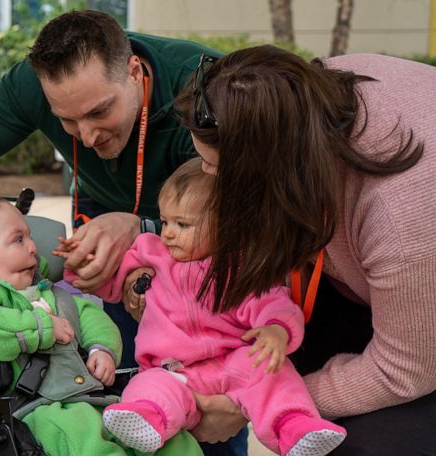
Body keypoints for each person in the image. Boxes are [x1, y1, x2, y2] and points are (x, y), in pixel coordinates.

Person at [0, 10, 249, 454]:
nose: (88, 137)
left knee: (200, 396)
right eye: (68, 121)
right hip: (100, 212)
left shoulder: (203, 89)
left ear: (134, 71)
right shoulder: (34, 84)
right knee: (115, 375)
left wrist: (142, 231)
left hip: (202, 239)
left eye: (99, 112)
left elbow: (248, 216)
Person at [175, 45, 436, 455]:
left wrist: (259, 402)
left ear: (272, 168)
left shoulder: (401, 215)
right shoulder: (303, 93)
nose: (207, 177)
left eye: (217, 169)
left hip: (420, 337)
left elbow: (405, 370)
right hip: (372, 278)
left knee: (363, 442)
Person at [63, 158, 346, 455]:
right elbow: (111, 283)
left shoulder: (240, 269)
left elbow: (273, 304)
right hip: (173, 369)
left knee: (272, 372)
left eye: (182, 224)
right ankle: (148, 418)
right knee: (149, 385)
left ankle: (294, 427)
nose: (168, 232)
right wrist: (80, 265)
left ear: (227, 226)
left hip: (233, 364)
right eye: (166, 220)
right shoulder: (151, 253)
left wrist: (276, 332)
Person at [0, 195, 203, 456]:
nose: (32, 247)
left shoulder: (53, 294)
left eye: (29, 237)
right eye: (19, 240)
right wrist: (39, 328)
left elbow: (90, 317)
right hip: (42, 411)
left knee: (170, 437)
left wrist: (102, 349)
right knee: (86, 440)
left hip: (92, 397)